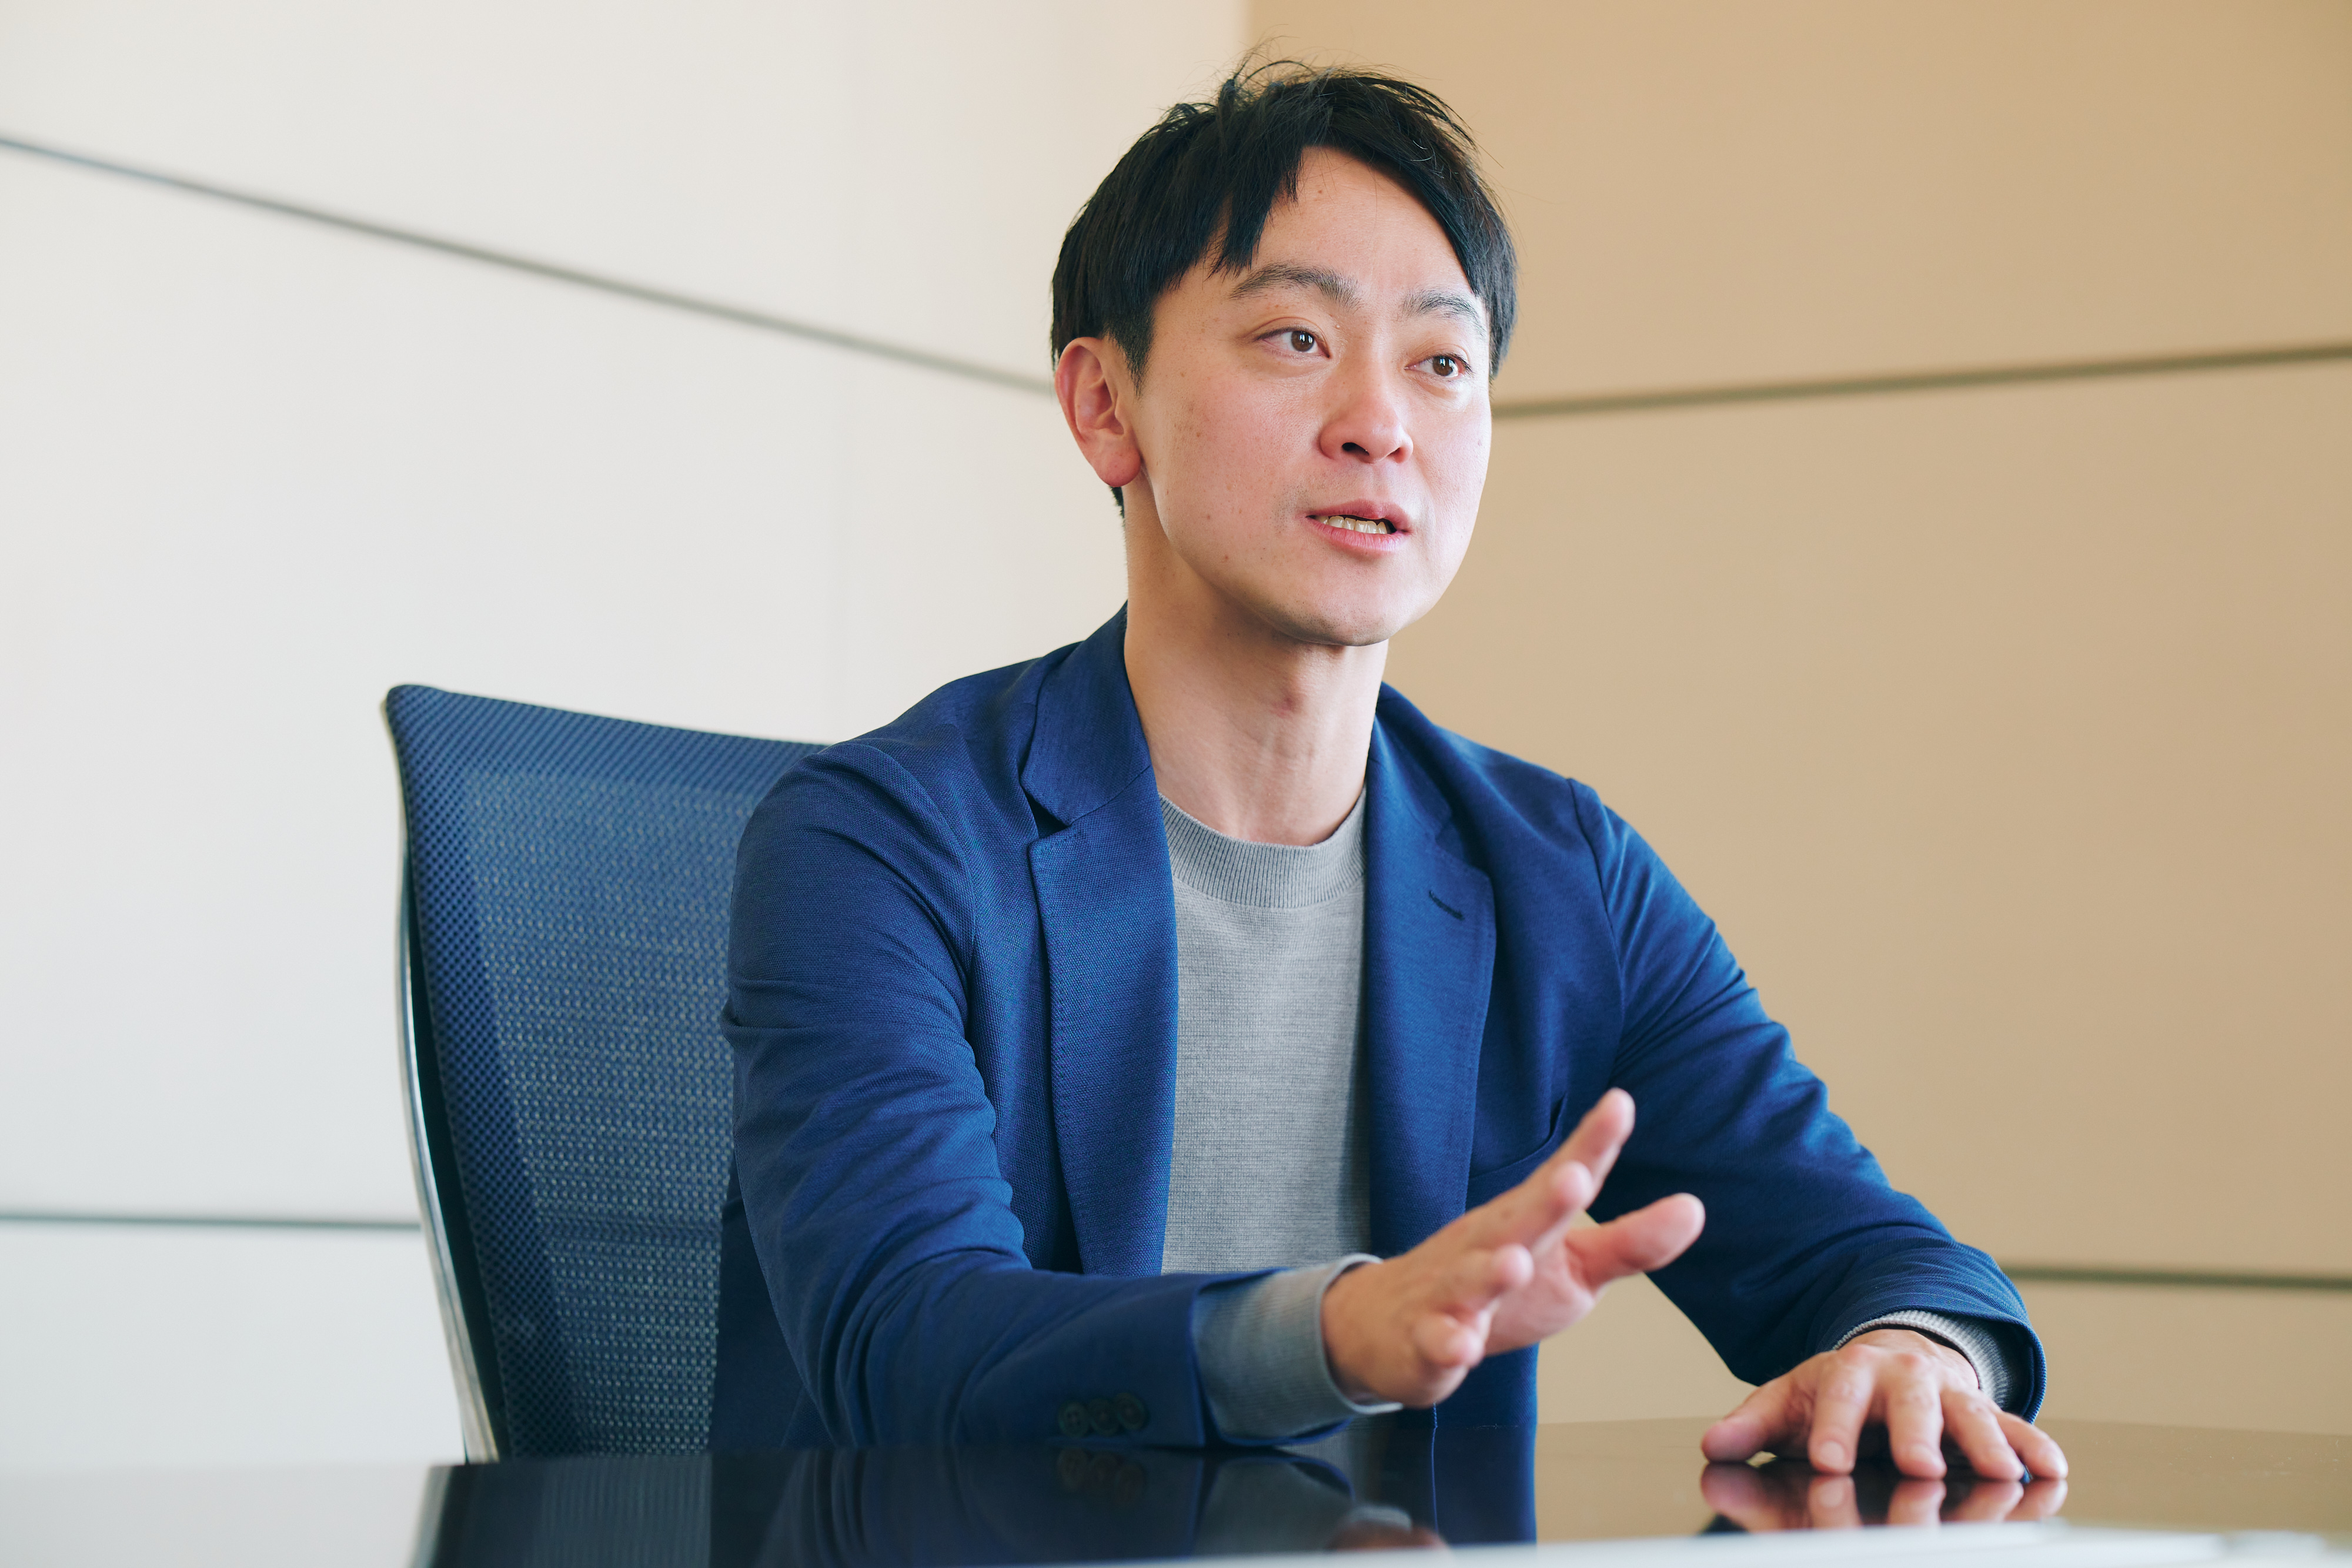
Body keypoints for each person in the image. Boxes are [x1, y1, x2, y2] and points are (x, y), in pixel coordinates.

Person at [713, 62, 2067, 1489]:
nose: (1381, 421)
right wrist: (1335, 1329)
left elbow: (1873, 1254)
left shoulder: (1556, 869)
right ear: (1104, 404)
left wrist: (1910, 1348)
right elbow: (907, 1341)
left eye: (1440, 362)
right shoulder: (880, 842)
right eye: (1295, 338)